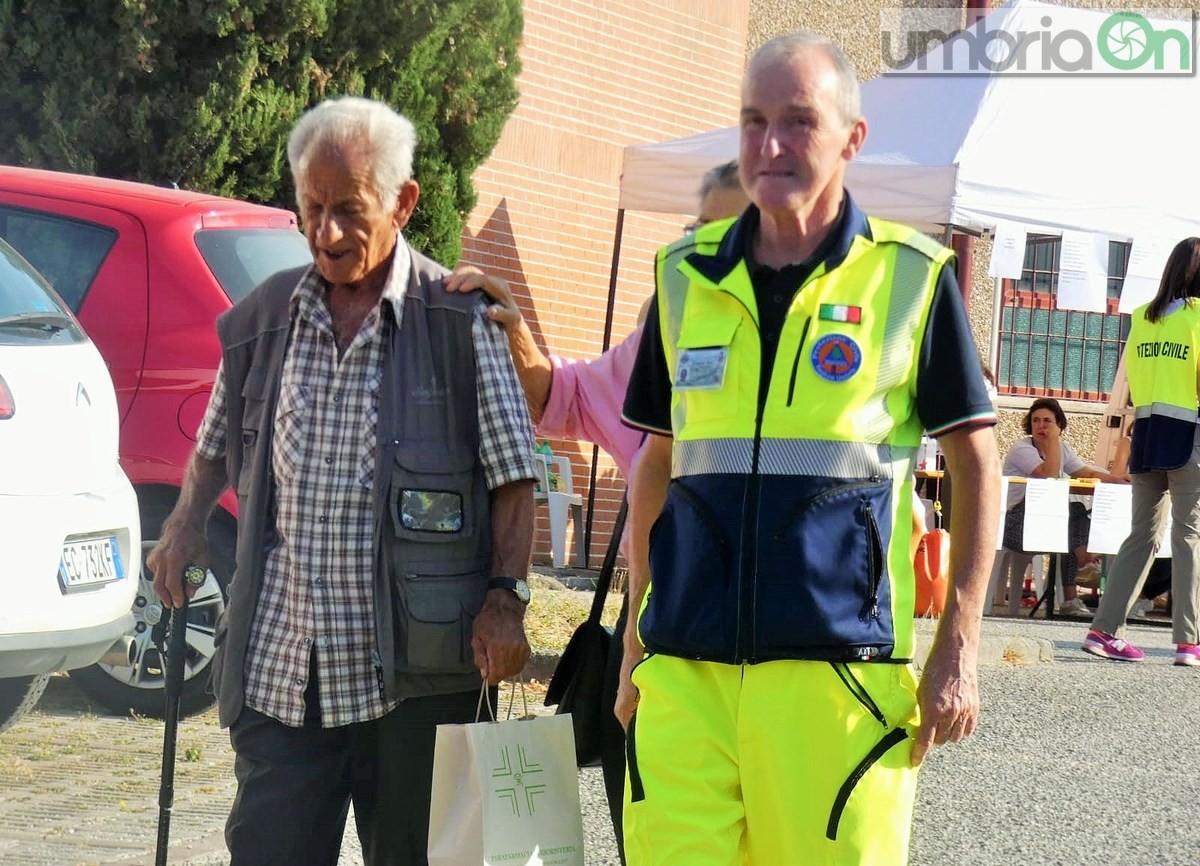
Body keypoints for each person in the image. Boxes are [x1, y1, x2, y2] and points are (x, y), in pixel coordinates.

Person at [617, 32, 1000, 866]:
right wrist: (636, 639)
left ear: (850, 140)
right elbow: (657, 463)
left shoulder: (912, 279)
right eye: (754, 121)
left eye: (798, 120)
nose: (771, 145)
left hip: (839, 686)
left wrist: (959, 644)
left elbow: (978, 463)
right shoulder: (681, 276)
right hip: (688, 673)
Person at [146, 96, 538, 866]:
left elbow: (514, 479)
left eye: (349, 210)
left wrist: (507, 600)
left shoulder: (458, 324)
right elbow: (216, 445)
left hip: (419, 679)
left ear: (404, 202)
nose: (325, 233)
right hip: (283, 670)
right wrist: (185, 523)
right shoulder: (263, 322)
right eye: (311, 207)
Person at [444, 159, 749, 863]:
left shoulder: (823, 360)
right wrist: (514, 332)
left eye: (722, 234)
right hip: (665, 656)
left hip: (779, 659)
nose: (698, 252)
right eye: (694, 232)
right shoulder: (661, 341)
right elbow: (567, 396)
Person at [1083, 237, 1200, 665]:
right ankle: (1190, 641)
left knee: (1141, 537)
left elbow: (1133, 383)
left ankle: (1103, 631)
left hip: (1147, 437)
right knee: (1189, 535)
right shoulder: (1198, 319)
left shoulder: (1142, 319)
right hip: (1190, 438)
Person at [1000, 397, 1126, 617]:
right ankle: (1085, 566)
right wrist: (1053, 443)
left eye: (1047, 421)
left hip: (1044, 523)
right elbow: (1048, 475)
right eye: (1036, 420)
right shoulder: (1022, 449)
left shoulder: (1062, 449)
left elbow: (1086, 473)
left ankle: (1073, 591)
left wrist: (1117, 480)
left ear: (1059, 424)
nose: (1041, 426)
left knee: (1072, 518)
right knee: (1071, 516)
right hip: (1014, 524)